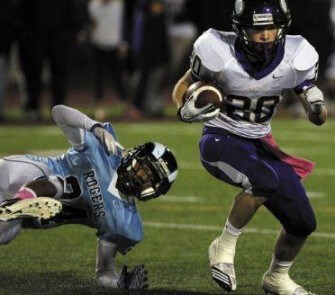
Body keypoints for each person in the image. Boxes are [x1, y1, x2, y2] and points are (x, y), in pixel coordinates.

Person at [172, 0, 327, 294]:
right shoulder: (217, 50)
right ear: (241, 29)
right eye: (258, 29)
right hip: (220, 137)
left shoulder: (297, 54)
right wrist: (183, 109)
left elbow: (317, 118)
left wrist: (316, 104)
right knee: (263, 180)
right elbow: (182, 86)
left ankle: (277, 277)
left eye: (271, 27)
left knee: (302, 222)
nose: (266, 35)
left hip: (260, 143)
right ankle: (223, 247)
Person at [0, 104, 178, 290]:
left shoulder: (126, 224)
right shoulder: (105, 151)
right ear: (134, 157)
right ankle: (19, 202)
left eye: (150, 181)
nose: (139, 179)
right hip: (19, 174)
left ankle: (13, 208)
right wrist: (94, 126)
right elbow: (58, 112)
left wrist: (121, 283)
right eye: (142, 170)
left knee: (6, 233)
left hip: (23, 218)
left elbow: (104, 273)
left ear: (155, 191)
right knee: (62, 185)